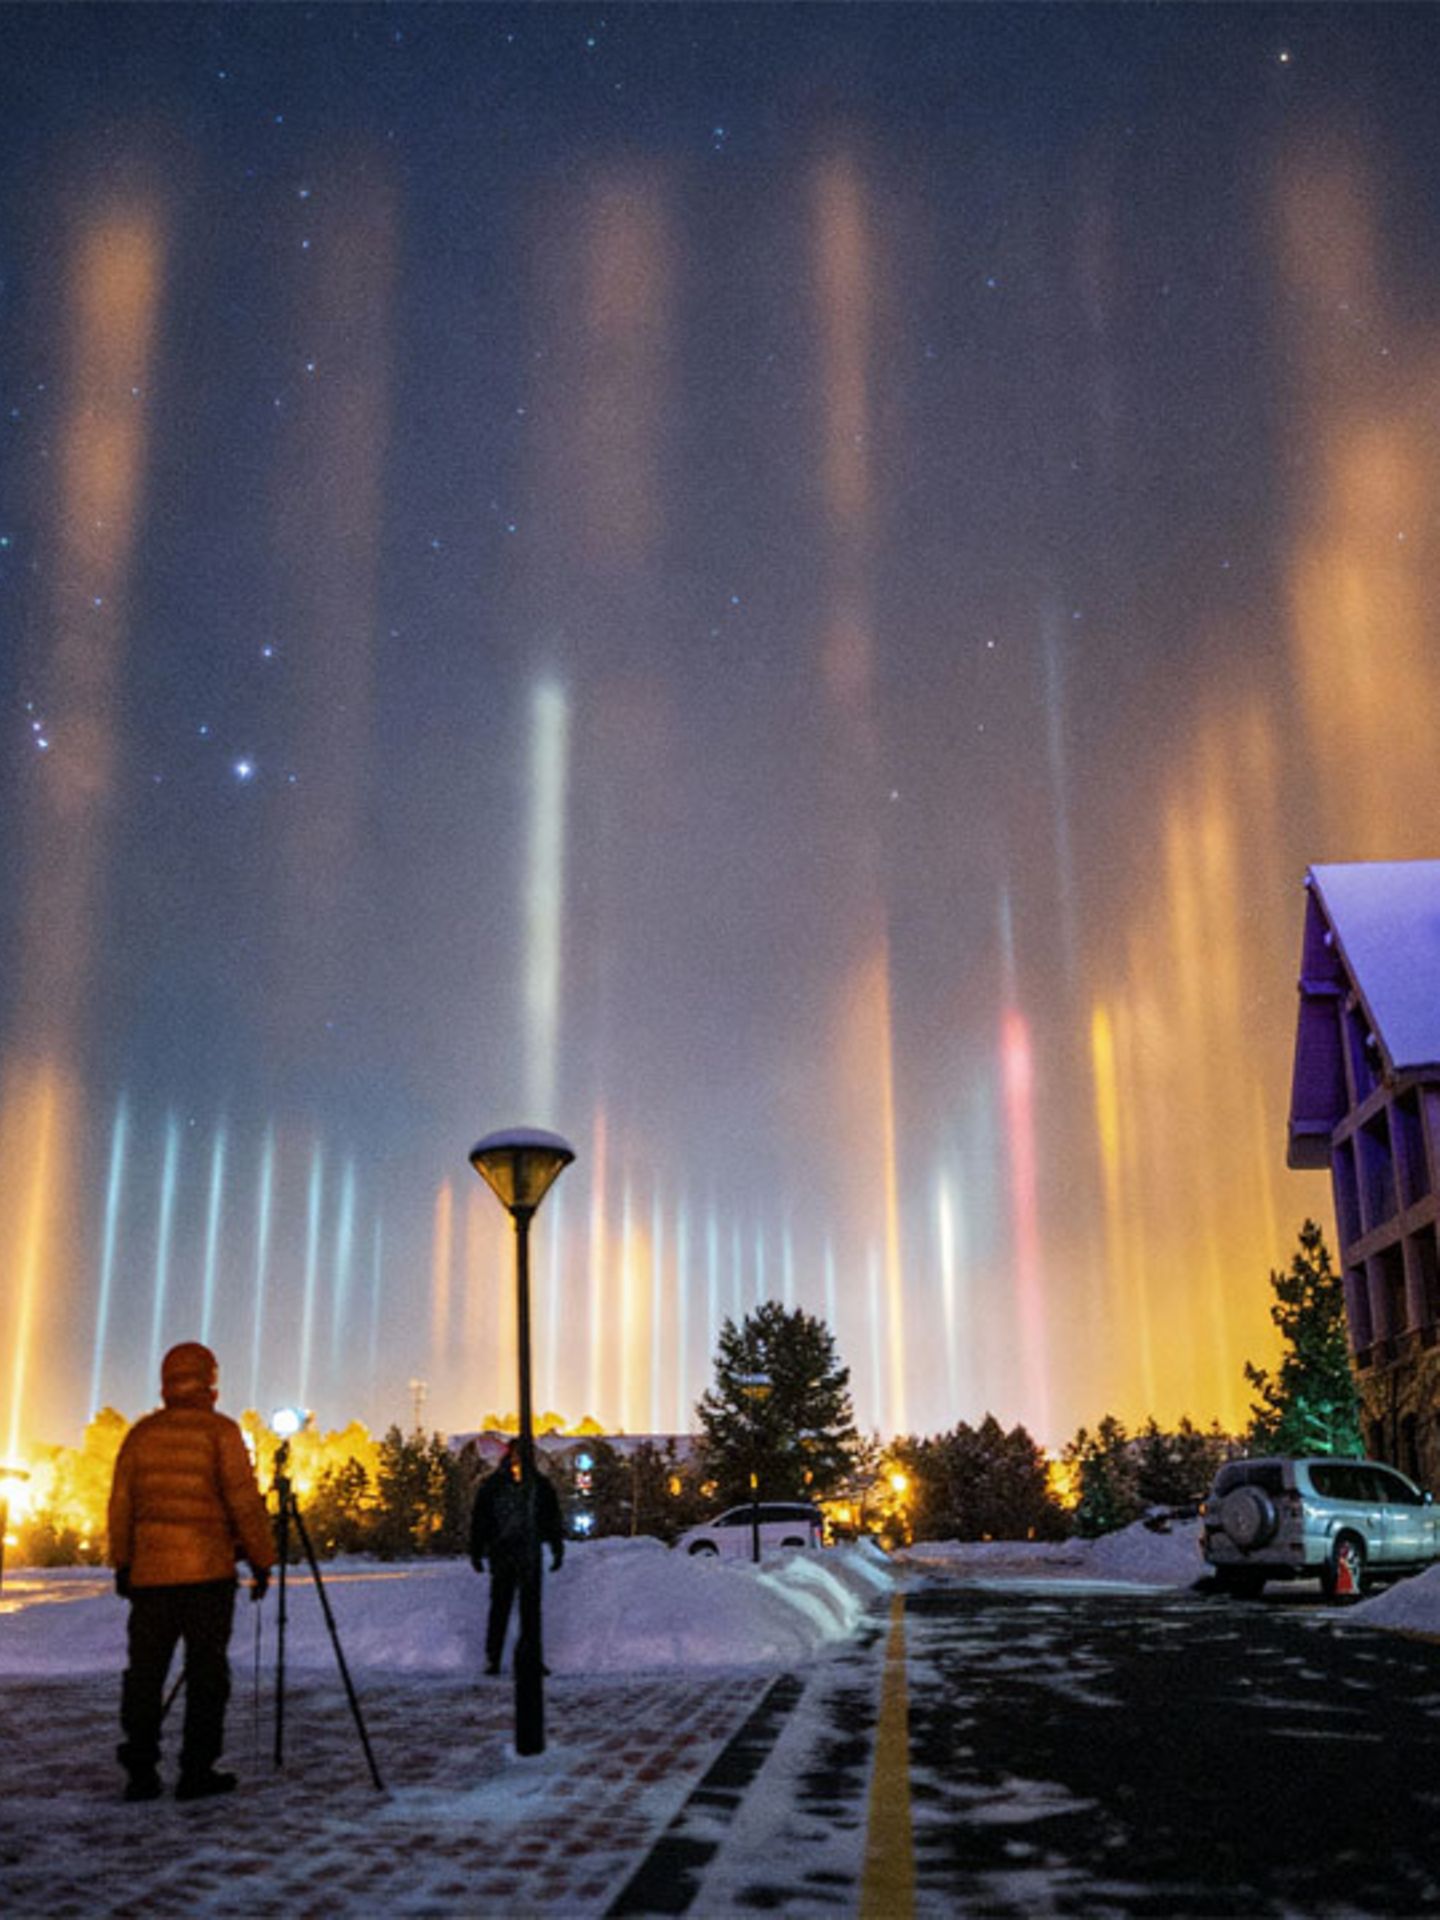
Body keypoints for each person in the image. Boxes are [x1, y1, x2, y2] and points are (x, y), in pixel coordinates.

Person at [107, 1341, 275, 1802]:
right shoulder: (221, 1432)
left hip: (151, 1580)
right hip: (207, 1575)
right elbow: (244, 1502)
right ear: (209, 1380)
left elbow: (120, 1507)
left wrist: (123, 1563)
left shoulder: (140, 1436)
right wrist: (263, 1560)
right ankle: (196, 1771)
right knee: (206, 1676)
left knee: (144, 1674)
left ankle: (140, 1771)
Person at [468, 1439, 565, 1676]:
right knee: (501, 1608)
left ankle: (531, 1659)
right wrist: (477, 1551)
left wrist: (556, 1547)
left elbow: (551, 1519)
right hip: (503, 1554)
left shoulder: (539, 1485)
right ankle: (494, 1660)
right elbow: (480, 1520)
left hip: (529, 1553)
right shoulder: (494, 1486)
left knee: (530, 1611)